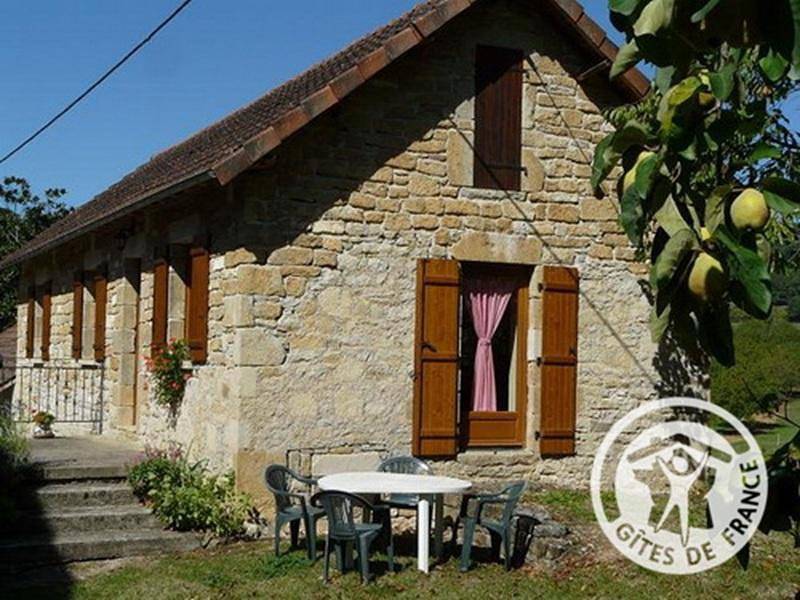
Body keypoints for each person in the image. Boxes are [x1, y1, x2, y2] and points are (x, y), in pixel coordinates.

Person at [654, 449, 709, 546]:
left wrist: (659, 459)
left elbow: (664, 468)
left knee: (667, 515)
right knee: (683, 519)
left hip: (677, 499)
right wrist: (705, 456)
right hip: (681, 500)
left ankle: (658, 528)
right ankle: (684, 540)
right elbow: (699, 468)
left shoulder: (673, 476)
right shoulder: (688, 478)